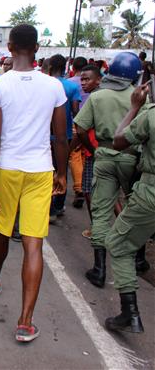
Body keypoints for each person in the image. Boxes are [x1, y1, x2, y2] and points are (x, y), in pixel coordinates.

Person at [0, 23, 68, 343]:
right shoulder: (54, 86)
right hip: (40, 170)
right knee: (33, 243)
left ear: (9, 47)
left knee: (2, 230)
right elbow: (61, 136)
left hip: (7, 168)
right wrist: (61, 174)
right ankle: (25, 322)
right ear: (38, 49)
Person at [73, 52, 142, 288]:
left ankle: (99, 269)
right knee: (135, 208)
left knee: (101, 213)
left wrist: (94, 148)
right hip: (132, 158)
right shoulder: (139, 98)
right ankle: (138, 259)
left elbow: (81, 128)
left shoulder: (98, 96)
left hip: (104, 156)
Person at [104, 83, 154, 334]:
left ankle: (130, 313)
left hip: (150, 193)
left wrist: (134, 107)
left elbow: (118, 141)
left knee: (119, 244)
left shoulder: (150, 115)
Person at [47, 54, 81, 221]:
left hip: (45, 134)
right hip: (65, 135)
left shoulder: (45, 85)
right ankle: (58, 206)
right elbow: (75, 112)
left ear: (50, 67)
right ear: (65, 67)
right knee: (62, 169)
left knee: (47, 170)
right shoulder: (72, 87)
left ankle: (47, 205)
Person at [79, 65, 102, 238]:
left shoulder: (95, 98)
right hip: (111, 151)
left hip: (94, 151)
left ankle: (96, 229)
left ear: (98, 80)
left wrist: (92, 150)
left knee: (88, 190)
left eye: (87, 79)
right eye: (82, 79)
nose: (83, 83)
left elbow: (80, 130)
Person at [68, 57, 89, 208]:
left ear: (73, 67)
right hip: (90, 125)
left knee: (74, 154)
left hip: (75, 123)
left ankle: (79, 187)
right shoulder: (95, 84)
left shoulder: (70, 83)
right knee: (84, 154)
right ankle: (84, 186)